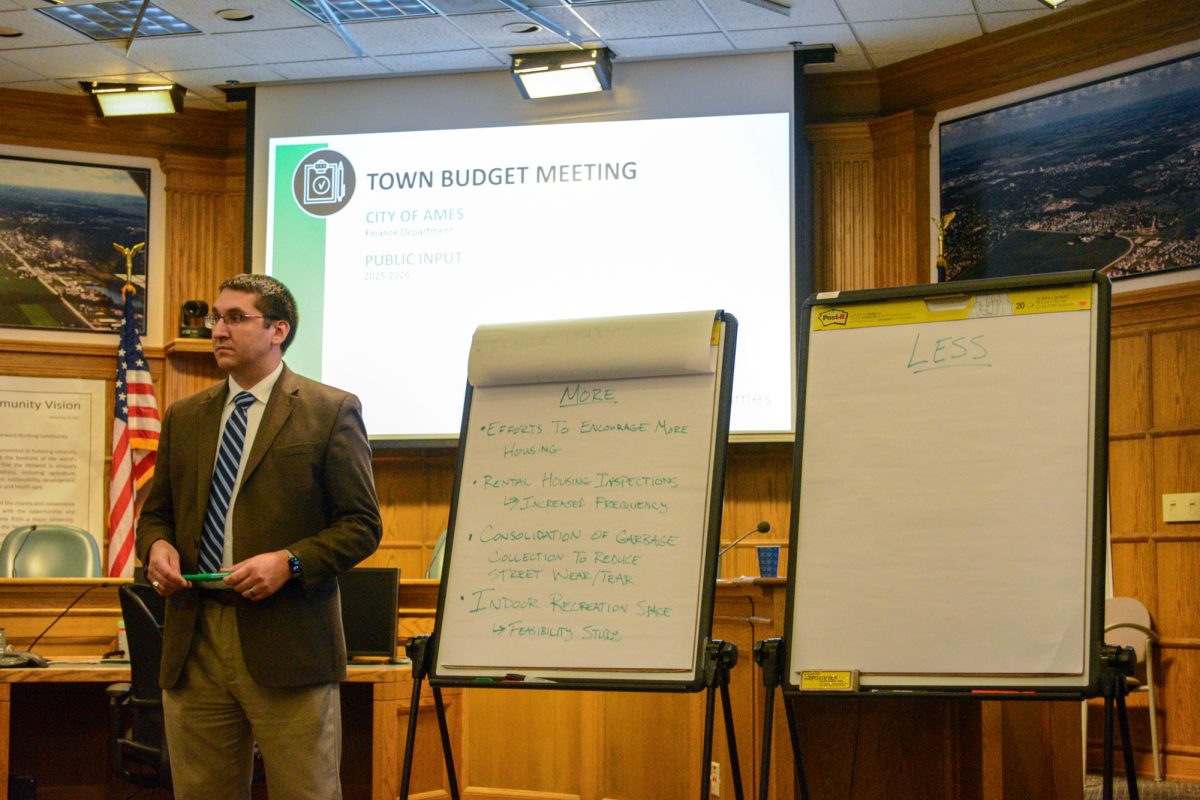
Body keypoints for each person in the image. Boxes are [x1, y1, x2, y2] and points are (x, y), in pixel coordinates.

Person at [137, 274, 382, 800]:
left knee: (306, 792)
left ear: (278, 330)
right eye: (215, 319)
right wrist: (156, 548)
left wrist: (290, 562)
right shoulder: (186, 416)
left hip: (288, 639)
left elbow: (362, 525)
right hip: (194, 636)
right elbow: (155, 515)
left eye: (234, 318)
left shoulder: (329, 409)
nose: (218, 330)